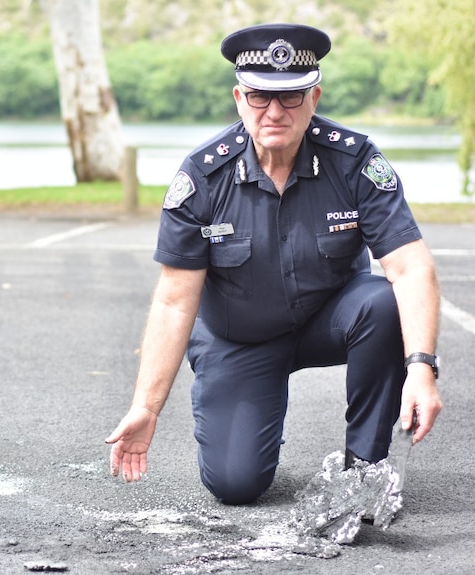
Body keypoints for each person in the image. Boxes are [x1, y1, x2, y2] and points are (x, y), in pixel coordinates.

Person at [105, 23, 443, 505]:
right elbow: (175, 302)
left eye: (290, 97)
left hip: (327, 321)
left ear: (314, 98)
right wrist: (146, 407)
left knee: (383, 303)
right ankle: (252, 420)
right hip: (237, 336)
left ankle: (363, 471)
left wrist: (420, 369)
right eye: (261, 97)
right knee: (236, 485)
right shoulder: (202, 177)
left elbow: (411, 269)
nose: (274, 111)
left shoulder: (355, 163)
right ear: (240, 98)